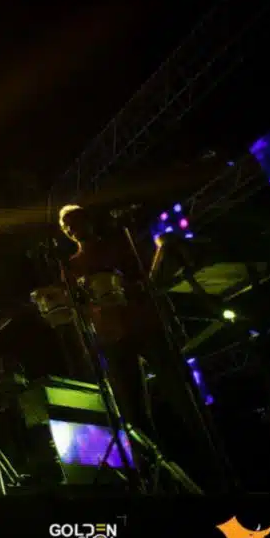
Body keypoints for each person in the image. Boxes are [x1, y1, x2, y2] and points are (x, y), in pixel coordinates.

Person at [58, 204, 205, 478]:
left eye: (74, 222)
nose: (71, 229)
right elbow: (78, 308)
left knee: (182, 396)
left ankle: (207, 459)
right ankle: (155, 475)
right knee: (133, 412)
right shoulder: (71, 266)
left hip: (144, 325)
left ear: (88, 220)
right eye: (66, 227)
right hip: (112, 338)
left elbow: (151, 279)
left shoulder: (122, 245)